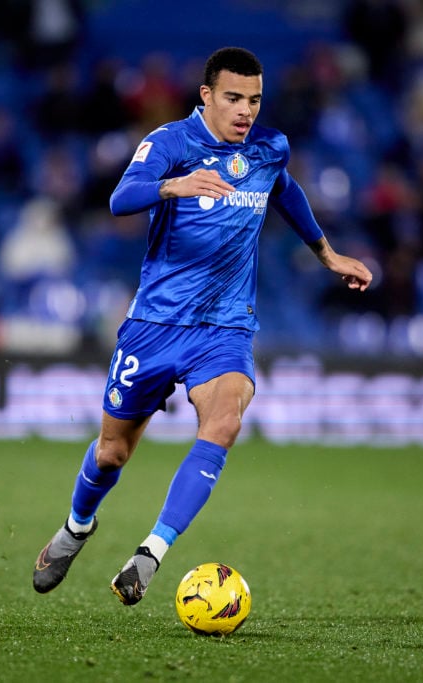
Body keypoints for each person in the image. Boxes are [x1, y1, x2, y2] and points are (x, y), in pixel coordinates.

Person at [32, 47, 373, 605]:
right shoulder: (171, 143)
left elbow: (283, 188)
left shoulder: (269, 149)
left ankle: (151, 552)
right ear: (207, 96)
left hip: (225, 329)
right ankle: (76, 527)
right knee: (112, 453)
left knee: (224, 421)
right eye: (234, 98)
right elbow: (120, 199)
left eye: (255, 100)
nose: (246, 111)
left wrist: (326, 253)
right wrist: (175, 185)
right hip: (155, 324)